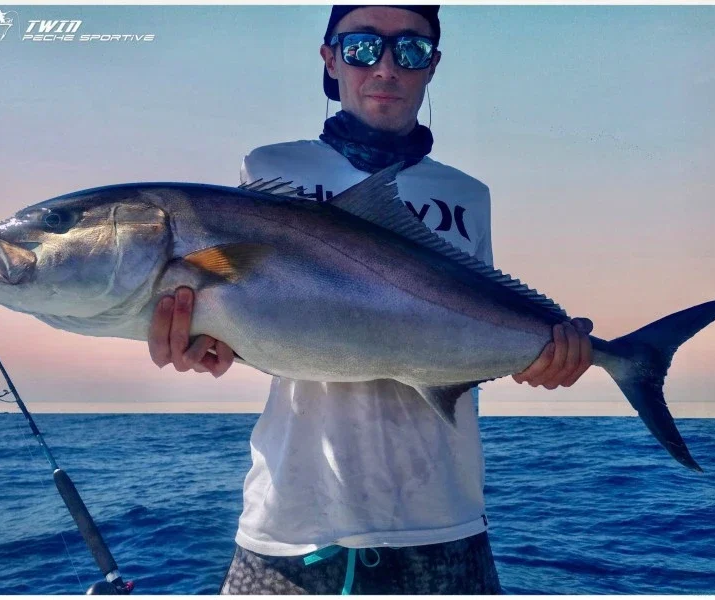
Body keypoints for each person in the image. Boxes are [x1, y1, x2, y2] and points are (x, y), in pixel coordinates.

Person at [147, 5, 593, 594]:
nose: (385, 68)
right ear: (329, 59)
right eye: (361, 47)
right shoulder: (271, 168)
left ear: (433, 66)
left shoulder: (466, 195)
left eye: (410, 49)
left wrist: (541, 353)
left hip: (445, 518)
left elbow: (467, 324)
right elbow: (255, 313)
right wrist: (205, 341)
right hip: (292, 524)